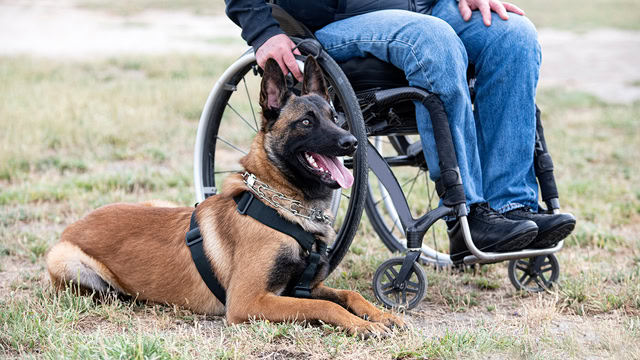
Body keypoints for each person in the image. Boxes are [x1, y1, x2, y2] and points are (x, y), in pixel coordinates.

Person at [224, 0, 576, 263]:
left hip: (428, 7)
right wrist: (264, 31)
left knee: (514, 34)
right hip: (336, 23)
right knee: (432, 38)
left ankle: (513, 206)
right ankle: (469, 212)